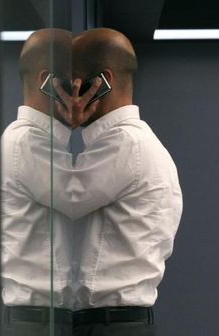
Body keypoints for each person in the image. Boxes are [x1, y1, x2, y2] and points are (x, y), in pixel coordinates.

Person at [0, 28, 101, 336]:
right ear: (52, 82)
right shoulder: (28, 145)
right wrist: (82, 124)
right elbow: (75, 201)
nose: (84, 90)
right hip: (38, 323)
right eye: (79, 80)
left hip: (35, 320)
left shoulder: (18, 142)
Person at [53, 28, 183, 336]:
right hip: (115, 323)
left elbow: (60, 197)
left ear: (100, 83)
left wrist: (57, 123)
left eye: (70, 82)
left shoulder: (125, 145)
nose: (64, 92)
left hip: (109, 326)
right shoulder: (134, 142)